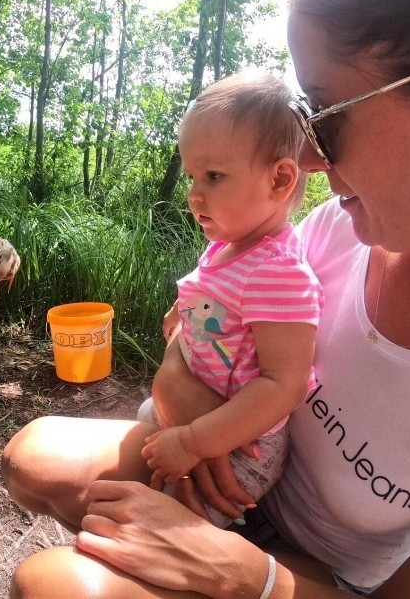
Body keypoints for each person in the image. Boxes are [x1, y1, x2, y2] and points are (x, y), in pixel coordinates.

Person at [1, 0, 410, 597]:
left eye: (326, 110)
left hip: (316, 579)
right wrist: (183, 393)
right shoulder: (329, 231)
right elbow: (201, 321)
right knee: (34, 456)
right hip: (238, 480)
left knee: (55, 586)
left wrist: (249, 575)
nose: (308, 160)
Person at [138, 70, 323, 528]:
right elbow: (208, 292)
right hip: (194, 407)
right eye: (193, 176)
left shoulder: (277, 271)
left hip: (238, 446)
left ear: (280, 180)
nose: (194, 194)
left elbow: (285, 384)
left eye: (215, 176)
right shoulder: (229, 244)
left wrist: (194, 442)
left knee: (160, 532)